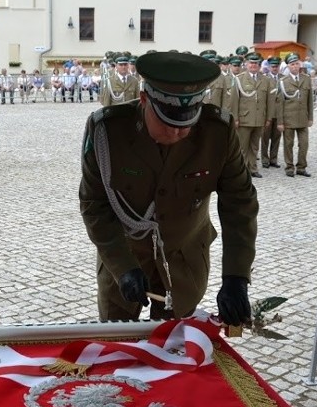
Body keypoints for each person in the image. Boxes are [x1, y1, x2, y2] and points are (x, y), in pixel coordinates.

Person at [79, 51, 258, 324]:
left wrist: (236, 277)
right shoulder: (107, 132)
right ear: (144, 100)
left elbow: (240, 204)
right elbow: (94, 205)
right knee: (115, 344)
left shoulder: (217, 133)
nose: (177, 133)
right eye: (167, 123)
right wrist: (123, 267)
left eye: (186, 124)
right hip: (124, 257)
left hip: (184, 261)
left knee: (175, 348)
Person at [277, 53, 314, 177]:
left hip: (302, 118)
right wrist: (280, 122)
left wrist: (310, 118)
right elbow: (280, 103)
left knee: (304, 144)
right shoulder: (283, 81)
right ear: (288, 66)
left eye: (297, 64)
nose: (295, 66)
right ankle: (289, 167)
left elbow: (310, 100)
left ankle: (301, 167)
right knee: (288, 144)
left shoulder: (306, 79)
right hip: (288, 119)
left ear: (300, 64)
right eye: (292, 64)